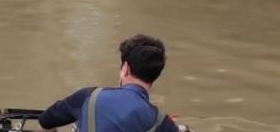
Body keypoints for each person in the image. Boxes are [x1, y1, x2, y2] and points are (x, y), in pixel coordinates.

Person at [39, 35, 180, 132]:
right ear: (155, 75)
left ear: (125, 68)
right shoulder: (162, 122)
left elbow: (45, 121)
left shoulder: (88, 97)